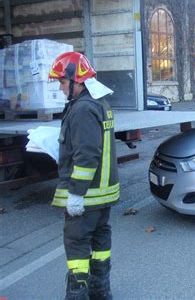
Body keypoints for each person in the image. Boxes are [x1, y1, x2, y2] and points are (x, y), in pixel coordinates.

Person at [49, 52, 119, 300]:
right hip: (103, 194)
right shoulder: (100, 103)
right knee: (100, 243)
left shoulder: (82, 109)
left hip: (87, 196)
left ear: (75, 79)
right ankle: (101, 292)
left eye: (62, 82)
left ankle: (78, 295)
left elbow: (87, 155)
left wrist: (76, 194)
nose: (60, 87)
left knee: (77, 245)